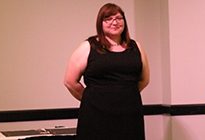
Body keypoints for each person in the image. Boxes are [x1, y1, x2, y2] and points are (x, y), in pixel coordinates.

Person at [63, 3, 150, 140]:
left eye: (119, 18)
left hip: (130, 116)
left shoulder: (136, 47)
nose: (114, 22)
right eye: (108, 19)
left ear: (124, 22)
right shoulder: (88, 46)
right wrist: (94, 98)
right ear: (100, 23)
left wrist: (124, 96)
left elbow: (144, 80)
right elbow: (69, 82)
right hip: (96, 116)